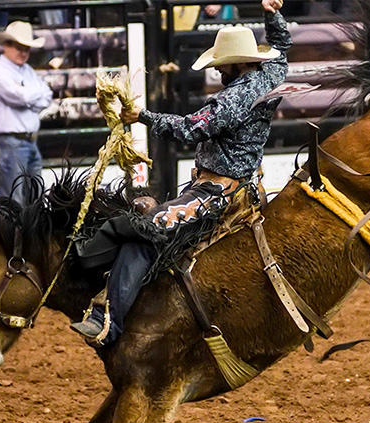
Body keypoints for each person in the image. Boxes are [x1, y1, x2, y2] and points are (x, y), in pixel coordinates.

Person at [71, 0, 291, 346]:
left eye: (222, 65)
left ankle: (107, 322)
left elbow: (191, 128)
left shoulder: (233, 99)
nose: (218, 71)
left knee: (147, 230)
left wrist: (142, 117)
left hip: (216, 192)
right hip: (235, 185)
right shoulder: (269, 77)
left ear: (236, 64)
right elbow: (282, 49)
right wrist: (271, 14)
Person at [0, 21, 53, 206]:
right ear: (6, 45)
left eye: (26, 49)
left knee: (35, 198)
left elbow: (46, 96)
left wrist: (29, 96)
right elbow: (21, 97)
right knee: (15, 201)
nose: (23, 53)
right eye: (19, 48)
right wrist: (34, 94)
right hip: (11, 142)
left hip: (28, 141)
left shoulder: (27, 70)